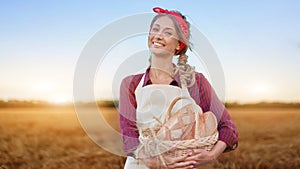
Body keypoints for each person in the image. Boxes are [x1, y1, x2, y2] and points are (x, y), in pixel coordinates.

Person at [118, 7, 238, 169]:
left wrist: (211, 155)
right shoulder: (130, 84)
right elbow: (129, 135)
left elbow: (227, 126)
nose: (158, 35)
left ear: (178, 45)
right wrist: (150, 160)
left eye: (168, 32)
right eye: (155, 30)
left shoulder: (196, 82)